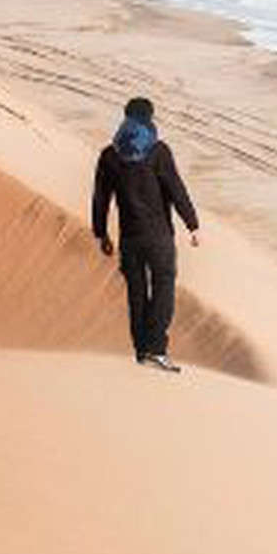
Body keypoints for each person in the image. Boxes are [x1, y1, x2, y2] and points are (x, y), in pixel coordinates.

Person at [90, 95, 202, 371]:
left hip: (130, 238)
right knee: (164, 288)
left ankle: (142, 352)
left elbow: (100, 198)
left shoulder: (109, 155)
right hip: (159, 237)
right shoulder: (158, 151)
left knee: (136, 294)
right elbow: (175, 188)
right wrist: (192, 224)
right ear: (149, 119)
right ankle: (156, 349)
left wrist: (101, 234)